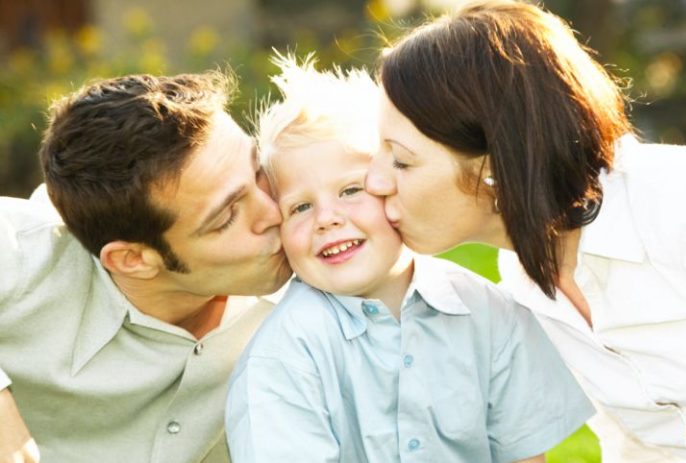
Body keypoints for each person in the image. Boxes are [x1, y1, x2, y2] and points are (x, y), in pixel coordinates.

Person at [364, 1, 686, 461]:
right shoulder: (522, 278)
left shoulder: (678, 202)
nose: (374, 181)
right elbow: (630, 441)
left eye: (401, 160)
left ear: (496, 165)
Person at [225, 54, 594, 463]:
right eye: (300, 207)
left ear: (392, 185)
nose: (327, 219)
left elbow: (524, 456)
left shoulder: (489, 312)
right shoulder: (285, 354)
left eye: (351, 191)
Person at [0, 71, 292, 463]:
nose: (276, 212)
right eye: (226, 217)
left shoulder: (329, 267)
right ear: (132, 260)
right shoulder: (27, 252)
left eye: (259, 172)